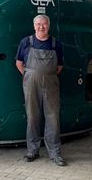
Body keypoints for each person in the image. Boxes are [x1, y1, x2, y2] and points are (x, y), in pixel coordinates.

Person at [15, 14, 66, 166]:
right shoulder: (26, 42)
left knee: (53, 117)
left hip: (51, 83)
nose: (41, 27)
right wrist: (30, 75)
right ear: (34, 26)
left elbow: (60, 66)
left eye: (44, 24)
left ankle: (55, 153)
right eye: (38, 24)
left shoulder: (56, 44)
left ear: (48, 26)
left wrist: (45, 75)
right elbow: (18, 63)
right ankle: (32, 150)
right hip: (30, 83)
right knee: (32, 116)